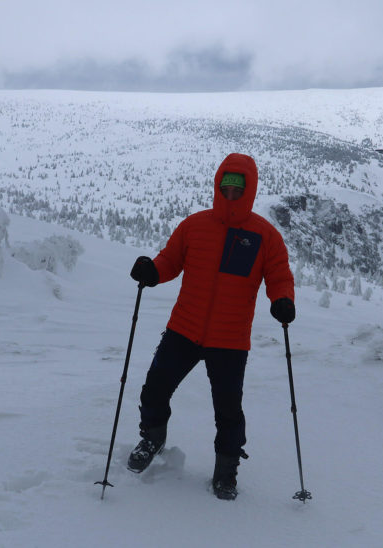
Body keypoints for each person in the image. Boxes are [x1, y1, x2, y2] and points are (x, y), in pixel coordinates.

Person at [127, 152, 296, 500]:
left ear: (249, 191)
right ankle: (153, 438)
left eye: (238, 189)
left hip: (230, 339)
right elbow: (170, 260)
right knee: (154, 389)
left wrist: (283, 299)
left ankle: (226, 470)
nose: (231, 194)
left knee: (228, 411)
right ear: (218, 186)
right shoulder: (195, 225)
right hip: (184, 328)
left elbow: (279, 275)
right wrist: (152, 271)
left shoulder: (265, 236)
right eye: (226, 187)